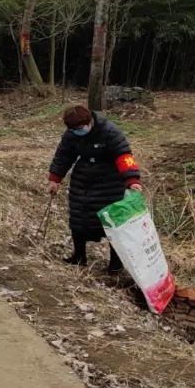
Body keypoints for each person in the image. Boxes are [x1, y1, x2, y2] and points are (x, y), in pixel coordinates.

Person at [47, 105, 142, 272]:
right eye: (74, 129)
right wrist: (55, 179)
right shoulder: (71, 134)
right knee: (78, 218)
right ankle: (79, 256)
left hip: (110, 181)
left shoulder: (110, 131)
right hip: (82, 179)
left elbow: (124, 156)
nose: (78, 131)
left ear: (89, 121)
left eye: (80, 128)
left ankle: (115, 264)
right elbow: (63, 156)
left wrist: (132, 180)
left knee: (111, 222)